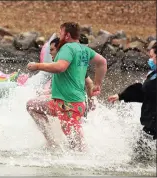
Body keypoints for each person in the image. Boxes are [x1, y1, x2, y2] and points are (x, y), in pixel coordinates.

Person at [26, 22, 107, 151]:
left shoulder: (67, 48)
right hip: (60, 102)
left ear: (67, 35)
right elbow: (102, 62)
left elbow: (60, 67)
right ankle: (52, 144)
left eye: (60, 33)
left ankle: (87, 164)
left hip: (69, 104)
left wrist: (37, 66)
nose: (59, 35)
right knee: (32, 105)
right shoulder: (85, 50)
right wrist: (97, 84)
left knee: (77, 146)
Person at [107, 42, 156, 163]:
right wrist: (121, 96)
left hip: (154, 125)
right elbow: (144, 93)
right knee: (140, 157)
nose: (149, 60)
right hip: (150, 123)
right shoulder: (153, 75)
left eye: (152, 57)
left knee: (139, 160)